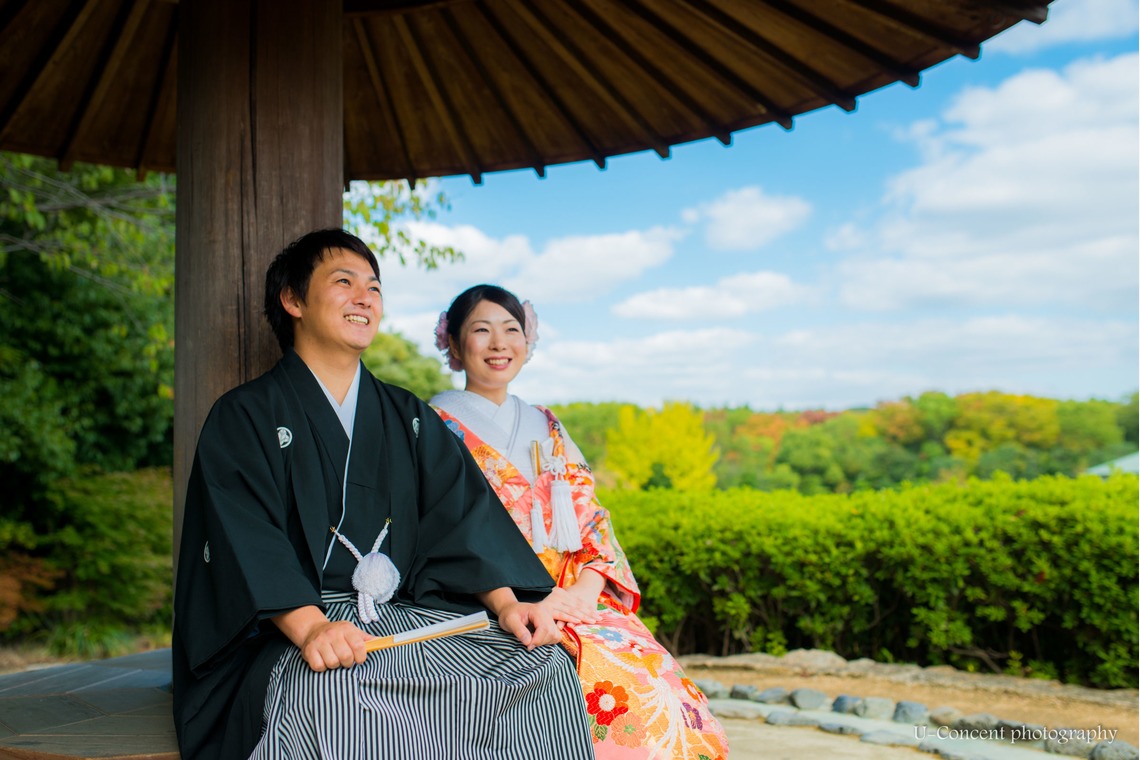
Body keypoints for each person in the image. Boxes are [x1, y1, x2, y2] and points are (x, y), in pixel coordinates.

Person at [172, 231, 594, 760]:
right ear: (293, 300)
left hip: (400, 615)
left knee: (540, 666)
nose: (365, 297)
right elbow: (245, 539)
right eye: (344, 282)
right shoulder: (244, 415)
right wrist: (312, 628)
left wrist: (508, 604)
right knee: (337, 693)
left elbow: (460, 519)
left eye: (373, 287)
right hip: (293, 627)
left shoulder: (407, 415)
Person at [430, 285, 730, 760]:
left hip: (574, 593)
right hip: (495, 596)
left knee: (667, 694)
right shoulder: (432, 424)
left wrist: (585, 595)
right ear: (453, 342)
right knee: (615, 705)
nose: (499, 343)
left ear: (527, 341)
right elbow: (444, 529)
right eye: (481, 330)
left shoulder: (546, 424)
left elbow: (590, 517)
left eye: (511, 329)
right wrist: (520, 597)